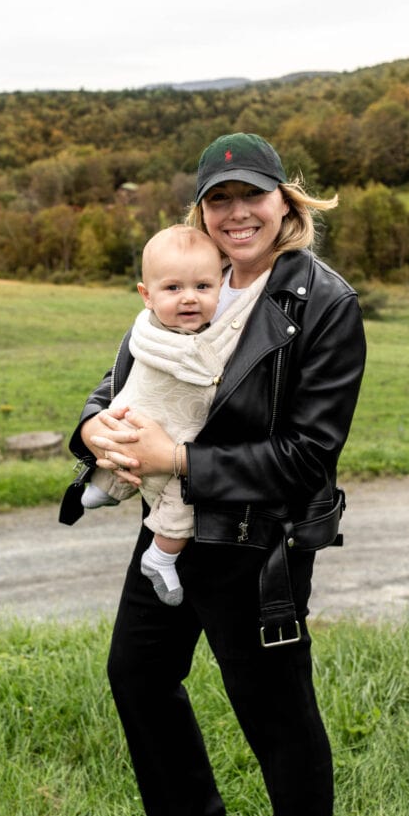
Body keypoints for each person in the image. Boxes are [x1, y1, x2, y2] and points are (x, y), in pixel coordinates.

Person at [68, 132, 366, 816]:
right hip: (168, 534)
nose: (237, 213)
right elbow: (127, 375)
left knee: (276, 716)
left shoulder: (322, 304)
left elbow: (307, 457)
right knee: (137, 680)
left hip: (255, 543)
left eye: (252, 196)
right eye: (219, 199)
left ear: (284, 201)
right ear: (201, 210)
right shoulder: (189, 276)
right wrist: (91, 425)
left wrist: (179, 463)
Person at [82, 224, 270, 606]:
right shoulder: (151, 333)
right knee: (125, 436)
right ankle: (109, 488)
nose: (189, 299)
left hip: (185, 455)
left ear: (222, 287)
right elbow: (124, 377)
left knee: (184, 491)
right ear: (146, 296)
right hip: (139, 427)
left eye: (203, 287)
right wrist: (90, 424)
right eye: (173, 289)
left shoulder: (178, 329)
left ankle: (159, 551)